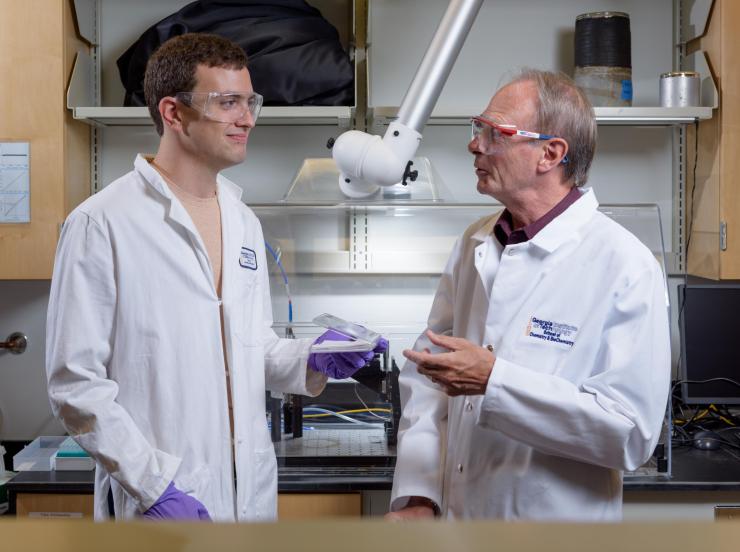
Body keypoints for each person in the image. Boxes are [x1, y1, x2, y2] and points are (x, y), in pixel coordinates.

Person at [45, 33, 384, 522]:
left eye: (250, 102)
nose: (246, 118)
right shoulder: (102, 223)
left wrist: (314, 358)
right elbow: (75, 385)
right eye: (227, 102)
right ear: (174, 112)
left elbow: (251, 347)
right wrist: (152, 487)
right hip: (161, 501)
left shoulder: (242, 220)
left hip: (247, 498)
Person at [386, 69, 671, 522]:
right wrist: (420, 494)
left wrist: (494, 382)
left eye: (494, 133)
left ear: (550, 154)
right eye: (477, 129)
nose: (475, 145)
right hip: (457, 525)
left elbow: (630, 435)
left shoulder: (625, 265)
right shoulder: (475, 242)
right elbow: (429, 376)